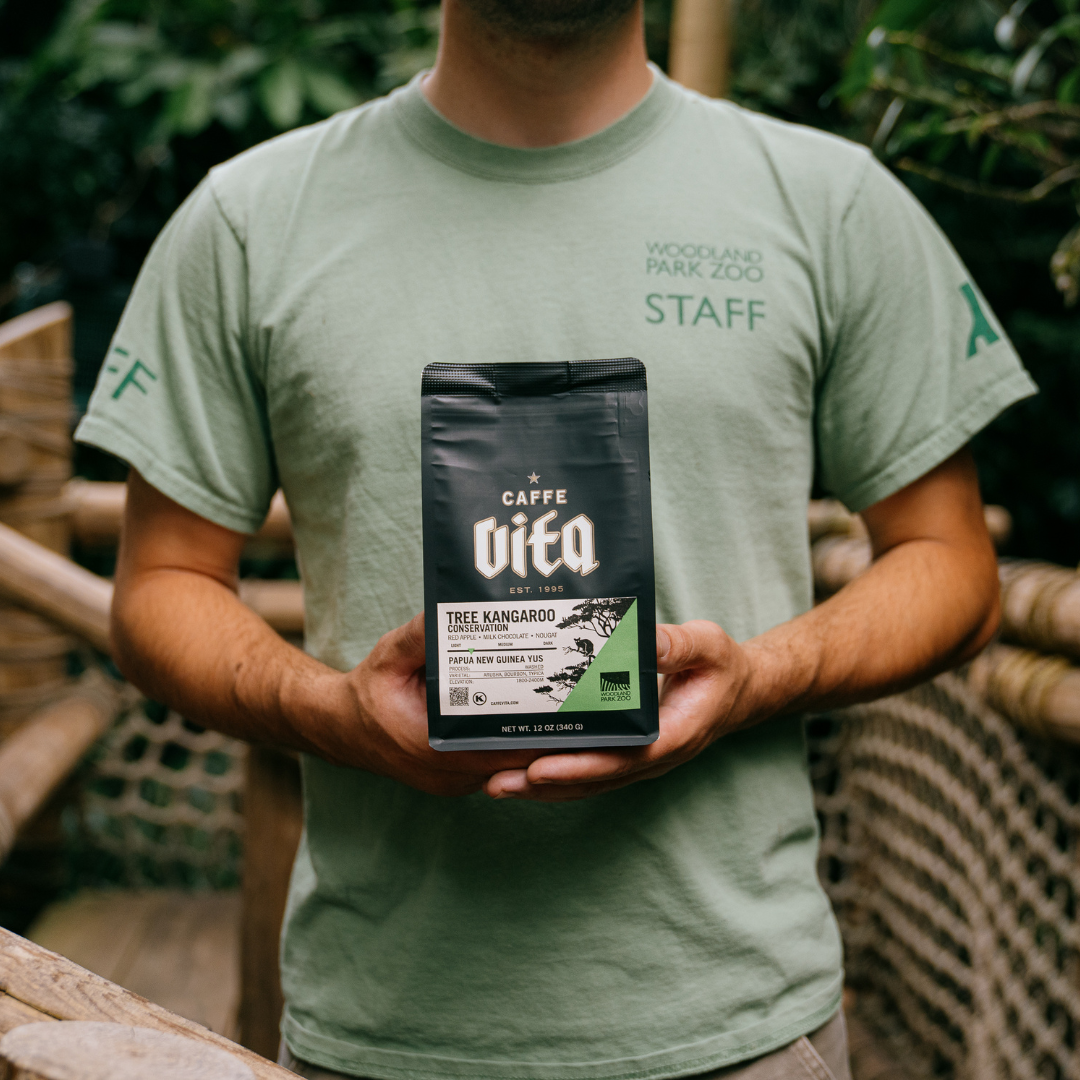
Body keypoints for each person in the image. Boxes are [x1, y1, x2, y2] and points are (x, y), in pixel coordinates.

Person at [75, 0, 1036, 1077]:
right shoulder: (250, 221)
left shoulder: (830, 204)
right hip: (385, 1033)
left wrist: (762, 675)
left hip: (745, 1030)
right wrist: (331, 713)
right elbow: (160, 583)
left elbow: (953, 565)